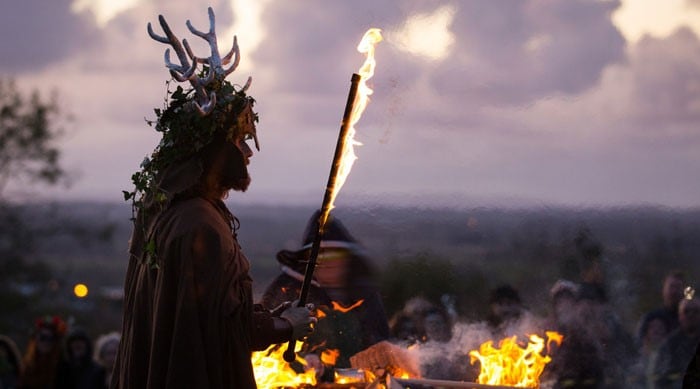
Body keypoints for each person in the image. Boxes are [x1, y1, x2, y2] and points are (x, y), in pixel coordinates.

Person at [112, 8, 316, 389]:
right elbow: (220, 328)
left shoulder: (162, 212)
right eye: (240, 142)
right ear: (216, 151)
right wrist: (287, 326)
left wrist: (269, 314)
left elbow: (208, 313)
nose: (249, 153)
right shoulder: (199, 225)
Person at [261, 211, 390, 377]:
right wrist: (304, 360)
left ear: (347, 258)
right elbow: (266, 345)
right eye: (317, 254)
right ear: (307, 258)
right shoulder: (286, 289)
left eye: (334, 253)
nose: (325, 261)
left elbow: (380, 342)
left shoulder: (365, 295)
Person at [653, 296, 700, 389]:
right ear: (679, 316)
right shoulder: (669, 345)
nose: (691, 315)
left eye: (696, 311)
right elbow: (659, 379)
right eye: (686, 311)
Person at [18, 315, 67, 389]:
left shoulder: (62, 367)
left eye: (51, 338)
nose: (46, 342)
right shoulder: (27, 364)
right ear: (36, 339)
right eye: (43, 337)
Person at [638, 271, 686, 343]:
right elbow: (638, 344)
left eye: (678, 287)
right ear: (664, 290)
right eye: (671, 287)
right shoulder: (651, 317)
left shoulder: (690, 319)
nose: (674, 291)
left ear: (684, 291)